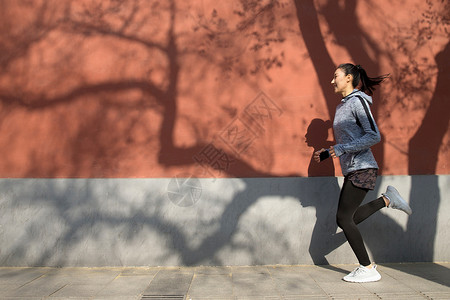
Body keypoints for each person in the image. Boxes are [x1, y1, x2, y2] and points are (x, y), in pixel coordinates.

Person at [314, 63, 412, 283]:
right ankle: (387, 200)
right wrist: (329, 152)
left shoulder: (357, 101)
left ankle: (367, 268)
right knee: (346, 218)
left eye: (336, 76)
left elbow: (374, 136)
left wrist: (337, 149)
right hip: (354, 168)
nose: (332, 81)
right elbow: (349, 140)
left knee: (343, 218)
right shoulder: (342, 106)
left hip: (364, 167)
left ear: (349, 78)